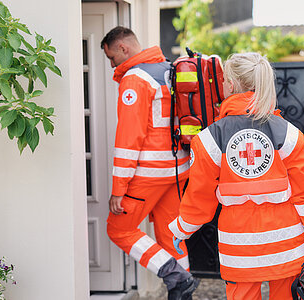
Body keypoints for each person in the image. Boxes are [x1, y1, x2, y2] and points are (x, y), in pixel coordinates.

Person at [168, 52, 304, 300]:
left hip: (240, 248)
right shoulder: (289, 134)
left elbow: (199, 197)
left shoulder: (209, 139)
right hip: (287, 245)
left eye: (223, 81)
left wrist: (181, 230)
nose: (221, 85)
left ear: (231, 86)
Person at [101, 26, 198, 299]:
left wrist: (118, 188)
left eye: (111, 57)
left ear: (123, 48)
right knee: (171, 236)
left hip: (149, 173)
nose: (111, 65)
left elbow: (129, 139)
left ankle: (176, 277)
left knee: (118, 229)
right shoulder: (170, 70)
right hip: (178, 169)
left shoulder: (135, 79)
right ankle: (183, 291)